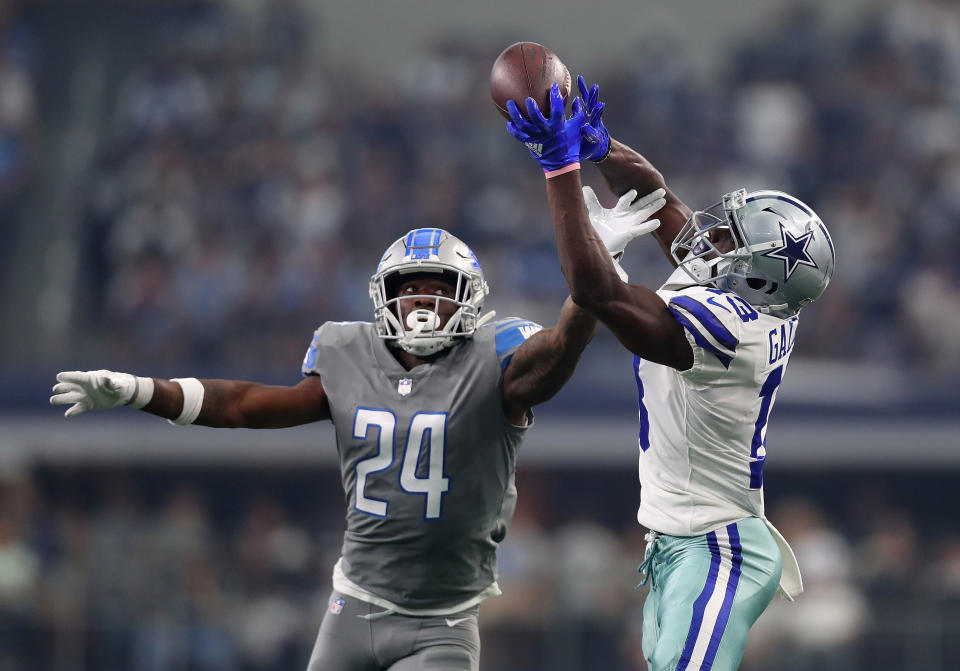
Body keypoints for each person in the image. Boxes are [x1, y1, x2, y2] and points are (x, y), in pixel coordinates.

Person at [48, 223, 666, 671]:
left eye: (439, 288)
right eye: (411, 288)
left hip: (441, 625)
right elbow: (245, 405)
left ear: (470, 299)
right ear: (383, 295)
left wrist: (593, 277)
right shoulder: (348, 351)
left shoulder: (494, 358)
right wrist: (139, 389)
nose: (423, 302)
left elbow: (558, 354)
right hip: (352, 609)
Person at [503, 78, 835, 671]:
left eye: (732, 238)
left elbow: (596, 292)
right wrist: (601, 147)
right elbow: (660, 202)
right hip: (679, 547)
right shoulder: (749, 294)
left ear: (757, 275)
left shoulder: (733, 328)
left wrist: (561, 173)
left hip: (718, 550)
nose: (712, 236)